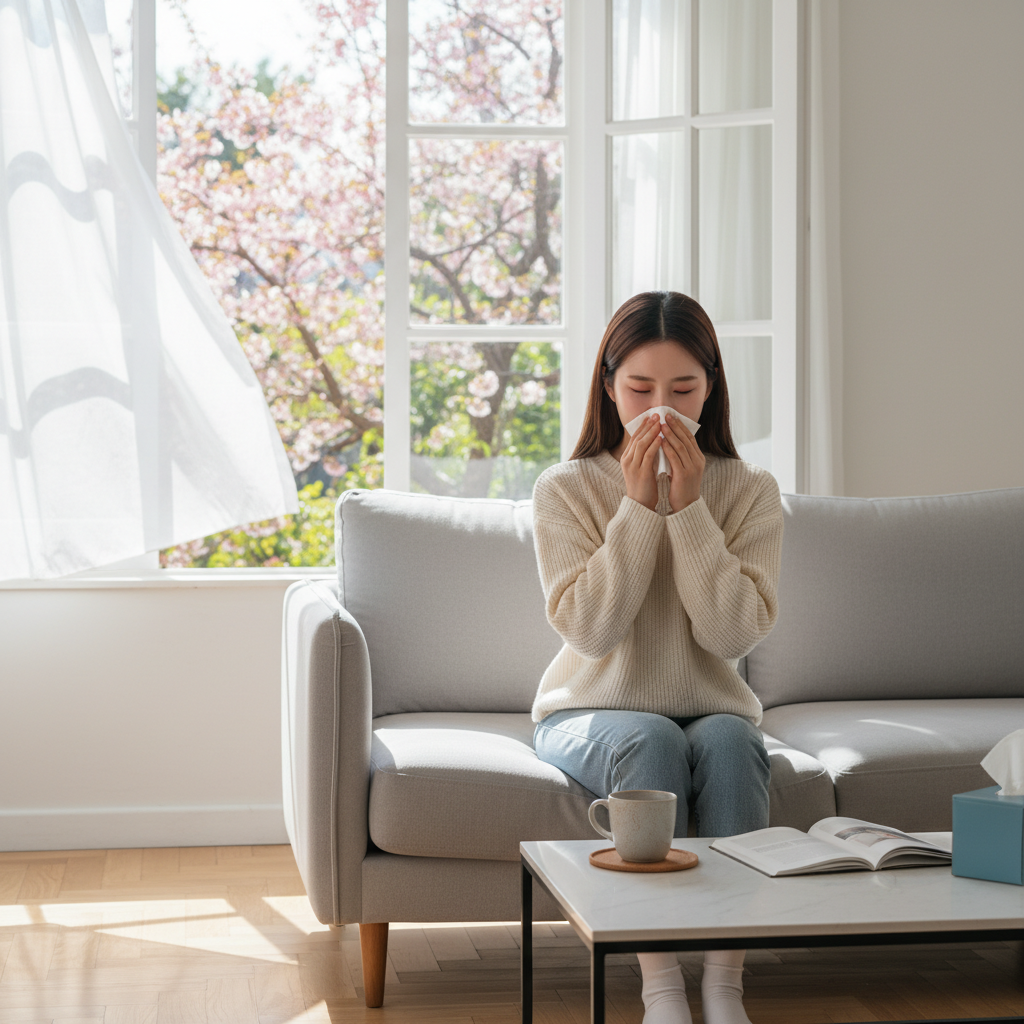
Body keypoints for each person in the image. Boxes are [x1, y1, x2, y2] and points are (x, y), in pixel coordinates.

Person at [530, 291, 783, 1024]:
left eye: (683, 390)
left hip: (712, 707)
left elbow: (734, 637)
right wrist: (639, 508)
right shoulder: (566, 488)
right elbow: (592, 630)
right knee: (649, 735)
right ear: (609, 386)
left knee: (734, 741)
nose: (660, 409)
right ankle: (662, 984)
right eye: (640, 388)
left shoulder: (750, 490)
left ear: (712, 388)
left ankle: (725, 983)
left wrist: (692, 507)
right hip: (590, 709)